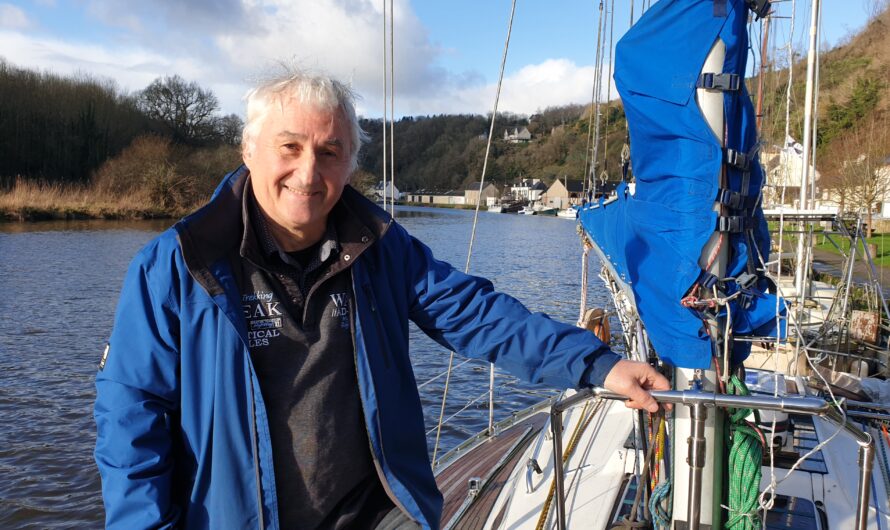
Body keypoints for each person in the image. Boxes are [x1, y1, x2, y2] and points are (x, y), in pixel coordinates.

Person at [94, 68, 670, 530]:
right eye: (289, 146)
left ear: (349, 164)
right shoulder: (181, 263)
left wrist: (598, 363)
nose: (307, 171)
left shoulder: (379, 248)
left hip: (377, 511)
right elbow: (130, 415)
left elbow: (476, 314)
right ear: (249, 151)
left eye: (329, 152)